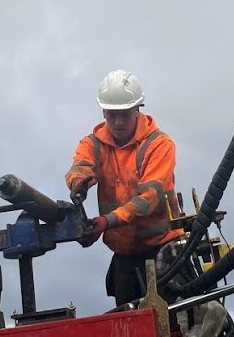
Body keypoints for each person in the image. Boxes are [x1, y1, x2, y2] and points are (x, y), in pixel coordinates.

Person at [66, 70, 181, 306]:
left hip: (163, 251)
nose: (118, 122)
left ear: (137, 109)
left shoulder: (159, 145)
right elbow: (80, 166)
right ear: (103, 112)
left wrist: (105, 222)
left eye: (124, 115)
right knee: (127, 329)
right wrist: (80, 183)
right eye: (112, 115)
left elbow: (147, 199)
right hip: (125, 257)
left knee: (173, 326)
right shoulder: (92, 144)